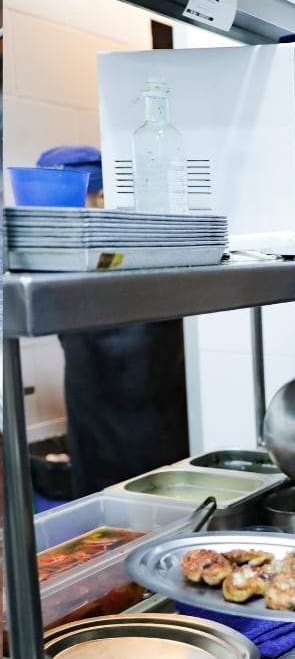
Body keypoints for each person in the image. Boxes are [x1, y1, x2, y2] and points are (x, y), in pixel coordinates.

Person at [36, 145, 190, 497]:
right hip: (89, 411)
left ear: (103, 196)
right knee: (98, 503)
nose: (55, 220)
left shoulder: (144, 247)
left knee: (153, 495)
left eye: (67, 204)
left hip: (152, 415)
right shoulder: (67, 256)